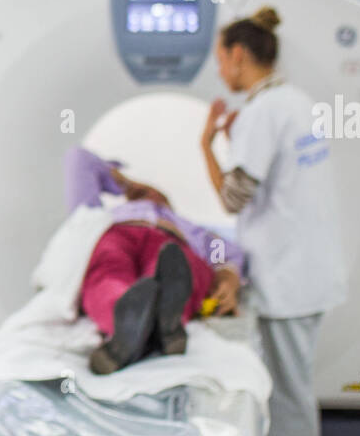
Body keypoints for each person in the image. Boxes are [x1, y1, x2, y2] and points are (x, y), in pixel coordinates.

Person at [199, 5, 346, 436]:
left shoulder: (263, 111)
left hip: (289, 278)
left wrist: (206, 144)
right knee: (293, 396)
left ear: (239, 55)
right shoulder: (295, 102)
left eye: (220, 59)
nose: (219, 72)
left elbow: (232, 196)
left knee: (287, 400)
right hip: (307, 270)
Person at [65, 146, 245, 375]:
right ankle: (133, 324)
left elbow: (224, 251)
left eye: (154, 192)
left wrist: (229, 275)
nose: (148, 194)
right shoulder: (102, 216)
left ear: (168, 201)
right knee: (107, 271)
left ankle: (159, 321)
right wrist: (126, 184)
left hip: (172, 241)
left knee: (179, 266)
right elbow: (78, 159)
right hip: (116, 234)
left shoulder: (191, 229)